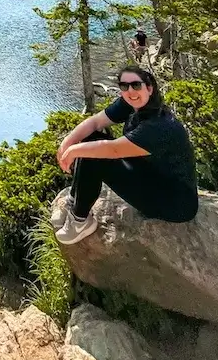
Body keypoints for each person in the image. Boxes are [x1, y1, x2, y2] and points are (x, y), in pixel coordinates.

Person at [52, 67, 198, 245]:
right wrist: (68, 142)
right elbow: (96, 122)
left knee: (95, 156)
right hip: (151, 175)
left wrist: (75, 151)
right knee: (91, 138)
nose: (130, 91)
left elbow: (113, 150)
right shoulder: (131, 104)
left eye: (136, 85)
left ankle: (80, 221)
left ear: (149, 88)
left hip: (174, 202)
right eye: (124, 86)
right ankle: (75, 201)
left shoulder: (160, 126)